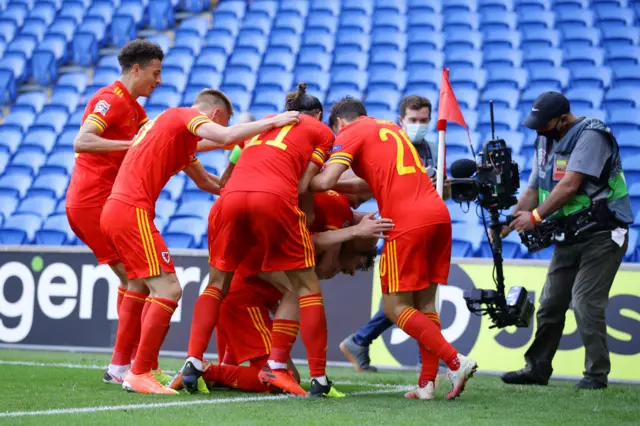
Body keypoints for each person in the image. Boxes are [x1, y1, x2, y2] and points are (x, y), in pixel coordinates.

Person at [100, 89, 301, 394]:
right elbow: (223, 136)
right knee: (168, 288)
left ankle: (136, 367)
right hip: (131, 210)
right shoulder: (186, 115)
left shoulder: (173, 135)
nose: (160, 81)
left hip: (118, 209)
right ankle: (138, 372)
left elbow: (211, 183)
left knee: (142, 286)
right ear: (215, 115)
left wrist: (247, 184)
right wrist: (272, 123)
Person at [310, 97, 477, 401]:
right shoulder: (390, 129)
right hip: (438, 215)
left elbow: (327, 182)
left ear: (339, 123)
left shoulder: (349, 133)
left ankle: (455, 361)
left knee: (393, 306)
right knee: (425, 305)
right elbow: (364, 185)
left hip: (406, 221)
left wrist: (304, 179)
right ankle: (427, 384)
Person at [180, 83, 338, 398]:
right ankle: (315, 378)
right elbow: (304, 184)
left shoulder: (264, 122)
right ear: (319, 115)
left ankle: (193, 361)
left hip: (230, 198)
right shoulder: (323, 134)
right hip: (275, 198)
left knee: (216, 284)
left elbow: (229, 172)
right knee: (304, 288)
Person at [168, 189, 387, 395]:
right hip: (242, 302)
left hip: (242, 295)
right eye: (358, 264)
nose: (351, 272)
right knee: (276, 382)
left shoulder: (321, 227)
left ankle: (216, 370)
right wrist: (355, 231)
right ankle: (205, 372)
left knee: (284, 373)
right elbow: (290, 260)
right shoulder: (334, 214)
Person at [500, 91, 633, 390]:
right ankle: (536, 369)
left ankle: (596, 376)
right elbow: (534, 188)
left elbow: (570, 185)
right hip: (570, 234)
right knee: (549, 304)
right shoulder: (545, 139)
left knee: (585, 303)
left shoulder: (592, 135)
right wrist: (510, 221)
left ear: (562, 119)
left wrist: (533, 218)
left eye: (543, 124)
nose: (538, 130)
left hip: (603, 233)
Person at [64, 39, 164, 385]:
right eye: (155, 72)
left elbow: (159, 141)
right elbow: (83, 140)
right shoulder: (109, 99)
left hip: (105, 203)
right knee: (138, 278)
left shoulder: (135, 110)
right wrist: (133, 144)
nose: (160, 80)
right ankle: (125, 367)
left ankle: (128, 364)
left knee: (134, 279)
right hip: (91, 202)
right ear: (136, 70)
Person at [339, 94, 452, 373]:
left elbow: (444, 189)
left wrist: (439, 186)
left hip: (421, 220)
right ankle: (435, 365)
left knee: (404, 303)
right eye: (413, 120)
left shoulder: (434, 149)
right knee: (403, 302)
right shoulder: (386, 141)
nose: (419, 125)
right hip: (402, 223)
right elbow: (366, 185)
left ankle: (430, 369)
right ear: (401, 121)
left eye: (424, 120)